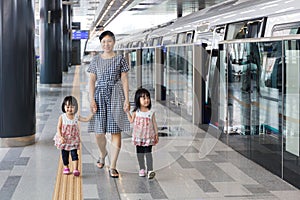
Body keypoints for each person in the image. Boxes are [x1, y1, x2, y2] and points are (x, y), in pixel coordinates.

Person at [87, 30, 130, 178]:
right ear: (101, 43)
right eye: (104, 42)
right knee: (99, 133)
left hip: (116, 95)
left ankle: (113, 165)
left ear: (114, 42)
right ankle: (102, 153)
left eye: (109, 41)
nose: (106, 44)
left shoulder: (120, 59)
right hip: (100, 96)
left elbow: (124, 80)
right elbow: (92, 81)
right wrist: (91, 99)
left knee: (115, 131)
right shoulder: (95, 60)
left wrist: (126, 99)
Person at [54, 96, 94, 176]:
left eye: (72, 107)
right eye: (67, 107)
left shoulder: (76, 116)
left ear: (75, 107)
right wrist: (60, 136)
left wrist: (92, 113)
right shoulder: (62, 117)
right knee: (64, 155)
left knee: (74, 154)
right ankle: (66, 167)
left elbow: (86, 119)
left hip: (73, 140)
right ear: (64, 107)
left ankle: (76, 169)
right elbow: (58, 127)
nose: (69, 109)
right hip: (64, 139)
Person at [126, 88, 159, 179]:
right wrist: (127, 112)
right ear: (138, 100)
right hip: (139, 137)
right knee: (140, 153)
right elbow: (131, 121)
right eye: (143, 98)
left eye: (148, 98)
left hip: (149, 137)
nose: (146, 100)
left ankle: (150, 170)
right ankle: (142, 168)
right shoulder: (136, 112)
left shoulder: (151, 112)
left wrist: (156, 134)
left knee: (148, 153)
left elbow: (154, 123)